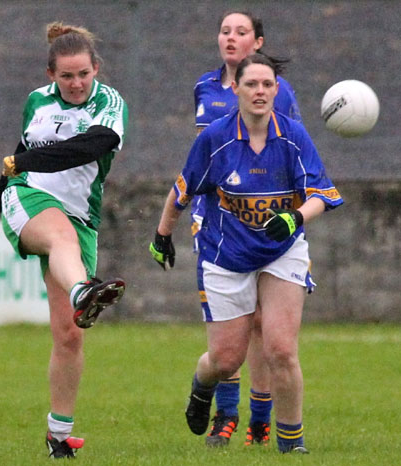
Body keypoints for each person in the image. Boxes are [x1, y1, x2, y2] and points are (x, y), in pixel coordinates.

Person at [150, 53, 343, 453]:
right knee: (225, 360)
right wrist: (162, 234)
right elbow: (182, 190)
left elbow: (322, 194)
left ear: (277, 90)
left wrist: (294, 218)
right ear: (235, 89)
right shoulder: (214, 139)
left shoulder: (292, 136)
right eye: (251, 84)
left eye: (267, 85)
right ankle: (202, 386)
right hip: (226, 254)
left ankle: (292, 444)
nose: (259, 91)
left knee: (281, 349)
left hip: (280, 250)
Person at [0, 21, 128, 459]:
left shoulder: (110, 105)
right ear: (51, 74)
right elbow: (19, 155)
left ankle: (59, 435)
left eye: (83, 74)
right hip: (29, 198)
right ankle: (84, 291)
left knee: (69, 335)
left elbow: (90, 146)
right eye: (66, 75)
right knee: (59, 236)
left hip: (80, 219)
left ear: (96, 69)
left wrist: (24, 159)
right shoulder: (37, 101)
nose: (76, 84)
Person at [190, 10, 302, 447]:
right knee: (230, 327)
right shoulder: (204, 86)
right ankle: (226, 416)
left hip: (263, 220)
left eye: (241, 32)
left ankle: (259, 419)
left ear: (258, 42)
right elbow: (202, 157)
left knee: (262, 326)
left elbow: (287, 151)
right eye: (224, 31)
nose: (231, 38)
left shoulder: (278, 90)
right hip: (215, 219)